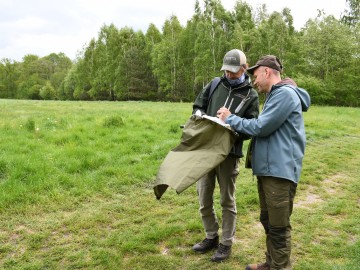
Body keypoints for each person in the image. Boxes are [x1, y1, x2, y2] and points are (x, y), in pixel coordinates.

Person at [217, 55, 311, 270]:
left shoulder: (284, 95)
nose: (254, 81)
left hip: (280, 172)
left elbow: (261, 127)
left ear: (267, 72)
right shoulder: (275, 95)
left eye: (256, 76)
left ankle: (280, 267)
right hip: (269, 171)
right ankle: (271, 263)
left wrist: (230, 118)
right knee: (268, 220)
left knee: (278, 227)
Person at [191, 49, 259, 262]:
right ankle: (211, 236)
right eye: (226, 71)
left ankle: (226, 243)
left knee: (227, 200)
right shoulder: (214, 85)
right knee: (204, 196)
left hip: (229, 154)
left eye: (233, 71)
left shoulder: (251, 95)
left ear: (243, 69)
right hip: (206, 150)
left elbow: (251, 128)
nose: (228, 75)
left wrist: (232, 127)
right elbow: (197, 106)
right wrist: (200, 115)